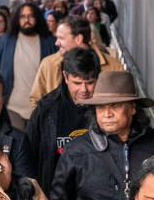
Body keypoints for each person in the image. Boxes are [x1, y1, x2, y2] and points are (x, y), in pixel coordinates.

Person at [50, 71, 154, 200]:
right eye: (100, 107)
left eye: (115, 106)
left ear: (133, 108)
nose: (107, 114)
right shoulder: (77, 150)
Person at [25, 47, 100, 191]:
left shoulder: (106, 109)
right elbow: (29, 155)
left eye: (89, 82)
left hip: (94, 194)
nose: (84, 90)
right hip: (54, 191)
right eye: (77, 83)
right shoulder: (46, 109)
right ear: (65, 77)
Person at [28, 15, 124, 108]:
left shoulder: (113, 67)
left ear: (79, 39)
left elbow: (123, 103)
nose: (56, 43)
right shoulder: (48, 64)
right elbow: (36, 100)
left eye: (61, 38)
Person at [0, 2, 57, 130]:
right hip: (11, 108)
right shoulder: (3, 42)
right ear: (16, 19)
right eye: (22, 16)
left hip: (41, 108)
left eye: (30, 16)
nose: (27, 20)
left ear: (37, 18)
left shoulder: (50, 43)